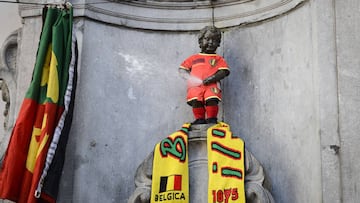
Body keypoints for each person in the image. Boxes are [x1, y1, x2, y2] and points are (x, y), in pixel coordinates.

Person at [179, 26, 230, 124]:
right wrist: (189, 77)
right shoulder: (194, 58)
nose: (210, 42)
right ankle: (199, 119)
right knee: (196, 101)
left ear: (218, 43)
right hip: (195, 86)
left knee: (211, 100)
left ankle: (212, 118)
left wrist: (212, 78)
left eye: (214, 40)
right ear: (200, 41)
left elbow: (224, 72)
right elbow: (182, 69)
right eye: (207, 39)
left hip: (211, 85)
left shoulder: (218, 59)